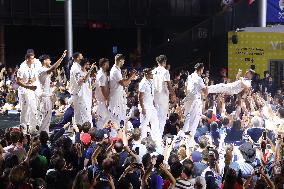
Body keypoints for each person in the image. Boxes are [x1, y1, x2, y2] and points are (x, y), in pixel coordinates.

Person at [37, 50, 67, 133]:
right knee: (45, 116)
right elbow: (53, 67)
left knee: (48, 117)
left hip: (48, 96)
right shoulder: (41, 70)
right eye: (48, 59)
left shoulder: (45, 70)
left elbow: (53, 70)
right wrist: (62, 57)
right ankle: (41, 134)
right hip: (44, 97)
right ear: (44, 61)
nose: (50, 61)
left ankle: (44, 133)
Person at [109, 54, 137, 126]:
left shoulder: (117, 69)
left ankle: (119, 136)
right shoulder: (115, 71)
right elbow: (124, 84)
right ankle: (115, 136)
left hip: (118, 98)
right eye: (123, 60)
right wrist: (131, 77)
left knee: (120, 120)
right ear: (120, 60)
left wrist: (131, 78)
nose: (124, 62)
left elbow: (123, 81)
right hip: (116, 99)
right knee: (116, 121)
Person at [182, 63, 208, 138]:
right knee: (194, 120)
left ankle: (184, 136)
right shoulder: (199, 79)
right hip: (195, 99)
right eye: (202, 69)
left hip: (188, 98)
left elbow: (186, 87)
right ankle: (190, 138)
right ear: (201, 69)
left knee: (187, 117)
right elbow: (205, 92)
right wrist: (206, 82)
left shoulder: (190, 76)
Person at [152, 55, 176, 135]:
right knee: (162, 119)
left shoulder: (153, 71)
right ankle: (158, 139)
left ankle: (155, 137)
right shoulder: (165, 71)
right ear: (164, 61)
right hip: (163, 97)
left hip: (155, 97)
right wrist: (173, 94)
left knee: (156, 118)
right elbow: (169, 85)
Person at [70, 55, 96, 126]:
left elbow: (88, 85)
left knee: (83, 116)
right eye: (88, 64)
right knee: (85, 116)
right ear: (84, 64)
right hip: (82, 97)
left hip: (87, 97)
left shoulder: (85, 72)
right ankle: (86, 133)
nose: (89, 65)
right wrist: (90, 70)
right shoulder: (78, 71)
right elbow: (83, 80)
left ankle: (81, 133)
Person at [138, 68, 162, 144]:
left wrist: (153, 101)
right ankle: (143, 141)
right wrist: (142, 108)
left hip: (151, 105)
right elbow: (140, 97)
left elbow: (152, 93)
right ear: (146, 74)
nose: (152, 75)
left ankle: (157, 140)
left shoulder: (151, 81)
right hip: (145, 106)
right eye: (151, 73)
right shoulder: (142, 83)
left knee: (155, 122)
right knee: (144, 125)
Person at [16, 53, 38, 134]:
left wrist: (32, 80)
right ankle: (23, 130)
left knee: (33, 109)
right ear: (27, 59)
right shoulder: (22, 68)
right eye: (32, 58)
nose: (33, 60)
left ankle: (33, 129)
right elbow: (18, 81)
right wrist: (28, 86)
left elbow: (35, 76)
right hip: (23, 92)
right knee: (24, 111)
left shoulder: (32, 66)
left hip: (31, 90)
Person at [95, 58, 110, 129]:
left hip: (101, 99)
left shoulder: (103, 73)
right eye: (107, 63)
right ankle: (100, 134)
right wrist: (106, 98)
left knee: (105, 118)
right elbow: (102, 88)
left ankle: (102, 133)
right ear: (104, 64)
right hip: (102, 99)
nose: (108, 65)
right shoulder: (101, 74)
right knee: (102, 118)